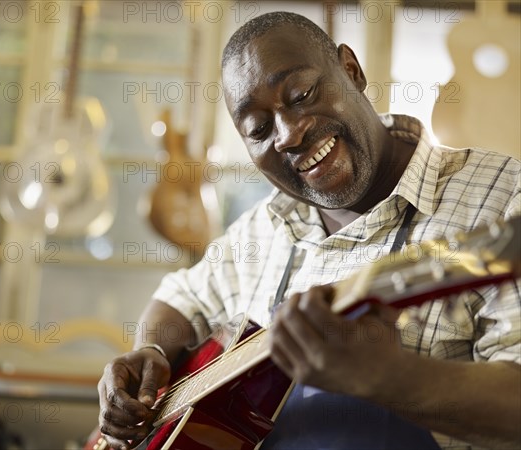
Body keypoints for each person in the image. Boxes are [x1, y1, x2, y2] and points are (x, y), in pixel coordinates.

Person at [97, 11, 521, 450]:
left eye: (301, 94)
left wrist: (388, 379)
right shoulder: (267, 225)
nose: (288, 133)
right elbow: (179, 297)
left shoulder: (504, 200)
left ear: (352, 72)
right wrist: (150, 354)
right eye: (259, 129)